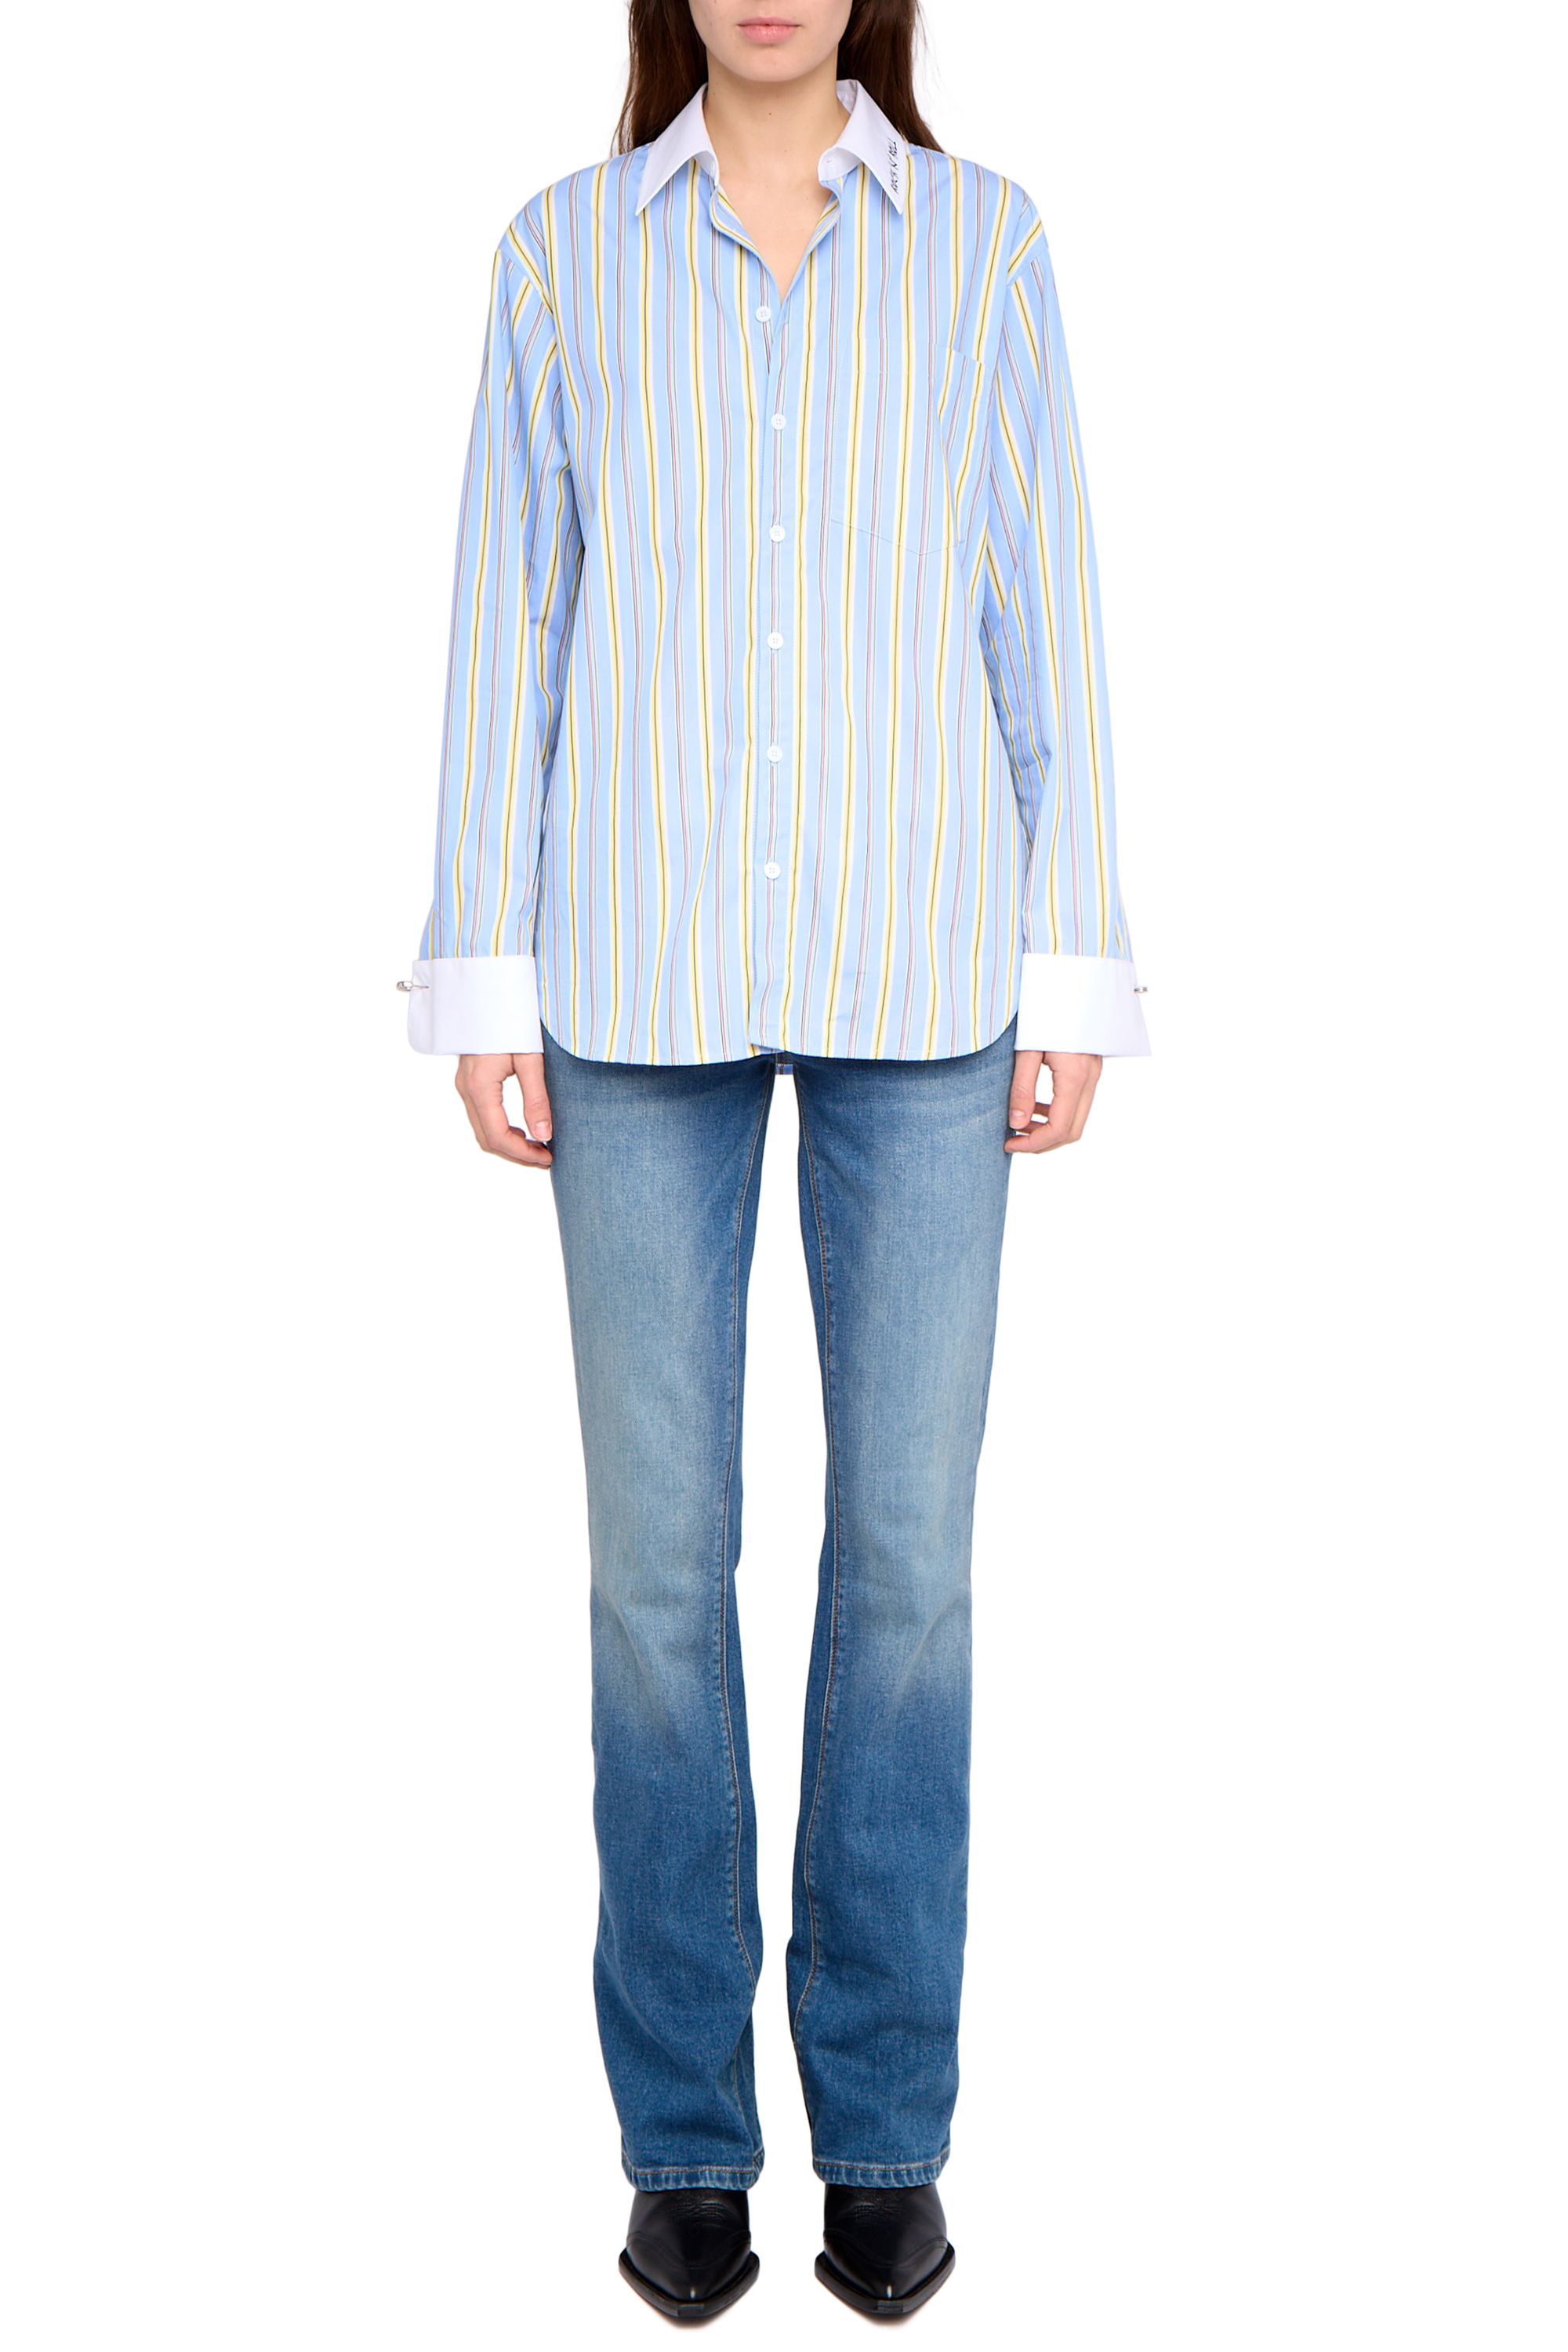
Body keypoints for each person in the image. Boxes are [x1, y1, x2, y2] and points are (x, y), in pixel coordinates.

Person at [402, 0, 1149, 2322]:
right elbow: (508, 618)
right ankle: (686, 2146)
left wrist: (1075, 960)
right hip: (628, 983)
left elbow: (1046, 605)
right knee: (658, 1577)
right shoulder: (557, 257)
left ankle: (890, 2134)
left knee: (907, 1571)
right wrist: (483, 969)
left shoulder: (988, 248)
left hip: (929, 973)